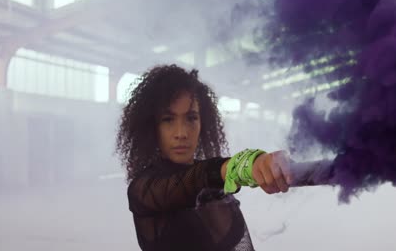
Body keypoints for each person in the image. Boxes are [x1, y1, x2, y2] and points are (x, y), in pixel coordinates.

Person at [116, 64, 294, 251]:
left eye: (191, 118)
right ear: (152, 127)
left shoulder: (216, 185)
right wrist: (243, 165)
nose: (181, 133)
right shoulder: (143, 189)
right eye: (168, 119)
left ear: (203, 123)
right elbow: (190, 182)